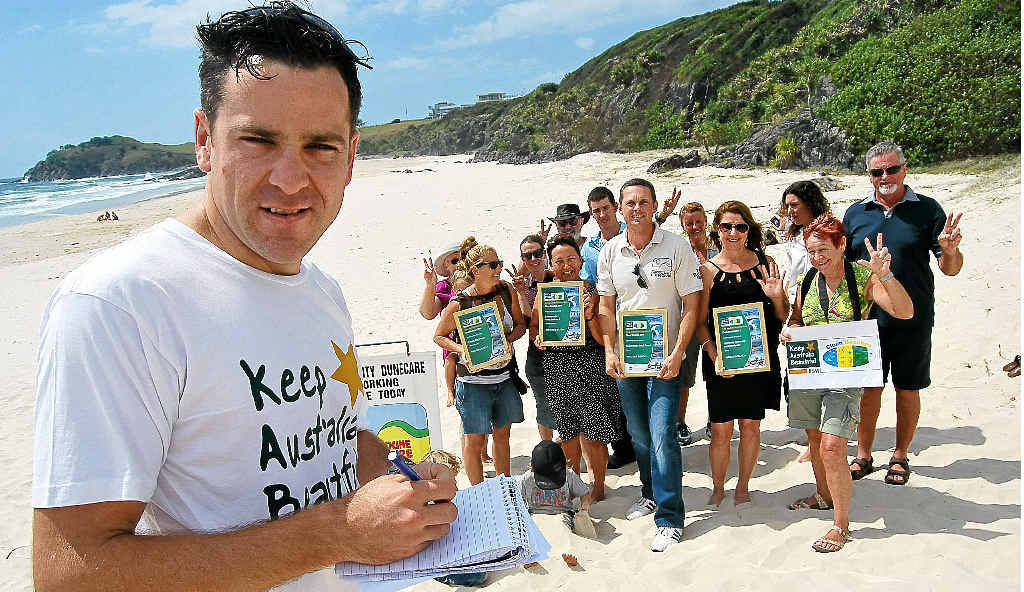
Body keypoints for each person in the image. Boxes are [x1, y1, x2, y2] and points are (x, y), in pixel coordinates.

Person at [31, 5, 458, 591]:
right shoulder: (120, 305)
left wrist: (405, 480)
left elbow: (336, 435)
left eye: (321, 147)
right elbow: (69, 574)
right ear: (205, 140)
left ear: (351, 157)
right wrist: (337, 534)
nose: (290, 179)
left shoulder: (322, 290)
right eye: (258, 140)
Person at [781, 214, 913, 552]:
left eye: (823, 250)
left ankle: (840, 525)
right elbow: (797, 318)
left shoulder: (862, 278)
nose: (817, 258)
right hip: (810, 370)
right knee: (815, 438)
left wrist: (885, 274)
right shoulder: (809, 279)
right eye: (811, 251)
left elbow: (904, 311)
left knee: (832, 446)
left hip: (848, 374)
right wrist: (790, 329)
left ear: (841, 245)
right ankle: (824, 496)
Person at [843, 141, 964, 486]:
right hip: (867, 320)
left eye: (892, 169)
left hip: (915, 317)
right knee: (868, 389)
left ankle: (899, 455)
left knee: (908, 388)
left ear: (904, 170)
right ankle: (863, 455)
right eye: (877, 172)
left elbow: (950, 268)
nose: (885, 177)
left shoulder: (928, 210)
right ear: (869, 175)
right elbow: (843, 267)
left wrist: (950, 250)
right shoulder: (855, 214)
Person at [597, 178, 702, 552]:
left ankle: (670, 518)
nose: (637, 209)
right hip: (627, 360)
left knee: (662, 434)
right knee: (639, 435)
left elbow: (691, 304)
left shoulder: (676, 246)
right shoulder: (611, 251)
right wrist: (610, 351)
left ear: (655, 206)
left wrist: (678, 352)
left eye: (644, 202)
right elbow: (606, 305)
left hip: (666, 360)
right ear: (620, 209)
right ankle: (650, 492)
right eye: (630, 203)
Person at [695, 201, 788, 508]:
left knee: (750, 426)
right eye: (726, 226)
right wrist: (715, 357)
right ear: (717, 230)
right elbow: (699, 323)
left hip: (759, 359)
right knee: (721, 430)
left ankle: (743, 486)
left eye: (740, 226)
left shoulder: (765, 263)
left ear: (749, 229)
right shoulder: (707, 271)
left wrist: (777, 297)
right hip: (721, 362)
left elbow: (782, 315)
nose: (733, 232)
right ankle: (718, 487)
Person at [531, 236, 623, 502]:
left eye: (571, 259)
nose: (566, 266)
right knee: (568, 432)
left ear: (581, 261)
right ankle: (573, 482)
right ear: (551, 265)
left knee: (595, 433)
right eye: (559, 261)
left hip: (591, 366)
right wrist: (538, 339)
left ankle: (599, 486)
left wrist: (589, 315)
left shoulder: (594, 291)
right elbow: (535, 326)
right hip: (557, 368)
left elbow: (604, 338)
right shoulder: (546, 294)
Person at [434, 243, 527, 484]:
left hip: (505, 378)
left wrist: (507, 340)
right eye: (493, 265)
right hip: (472, 383)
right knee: (474, 440)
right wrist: (461, 349)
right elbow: (439, 336)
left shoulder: (506, 290)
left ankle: (504, 486)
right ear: (476, 270)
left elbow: (520, 326)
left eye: (499, 263)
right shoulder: (459, 302)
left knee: (503, 435)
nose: (499, 269)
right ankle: (479, 491)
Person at [579, 186, 635, 469]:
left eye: (605, 208)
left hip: (637, 316)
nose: (602, 214)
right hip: (604, 319)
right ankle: (624, 447)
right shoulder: (588, 248)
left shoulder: (633, 233)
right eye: (596, 211)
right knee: (614, 385)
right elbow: (588, 284)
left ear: (615, 207)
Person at [674, 201, 719, 446]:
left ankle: (715, 419)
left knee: (716, 372)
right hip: (688, 318)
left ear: (706, 222)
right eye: (689, 223)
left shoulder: (719, 248)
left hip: (715, 319)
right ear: (683, 226)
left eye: (698, 222)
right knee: (685, 376)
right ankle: (680, 422)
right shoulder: (679, 251)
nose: (694, 227)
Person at [508, 233, 557, 441]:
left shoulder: (558, 278)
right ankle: (548, 448)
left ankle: (569, 449)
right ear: (522, 259)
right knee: (543, 405)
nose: (533, 259)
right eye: (527, 256)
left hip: (565, 351)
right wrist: (520, 292)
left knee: (570, 404)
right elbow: (529, 321)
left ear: (545, 254)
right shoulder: (523, 286)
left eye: (537, 253)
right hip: (538, 354)